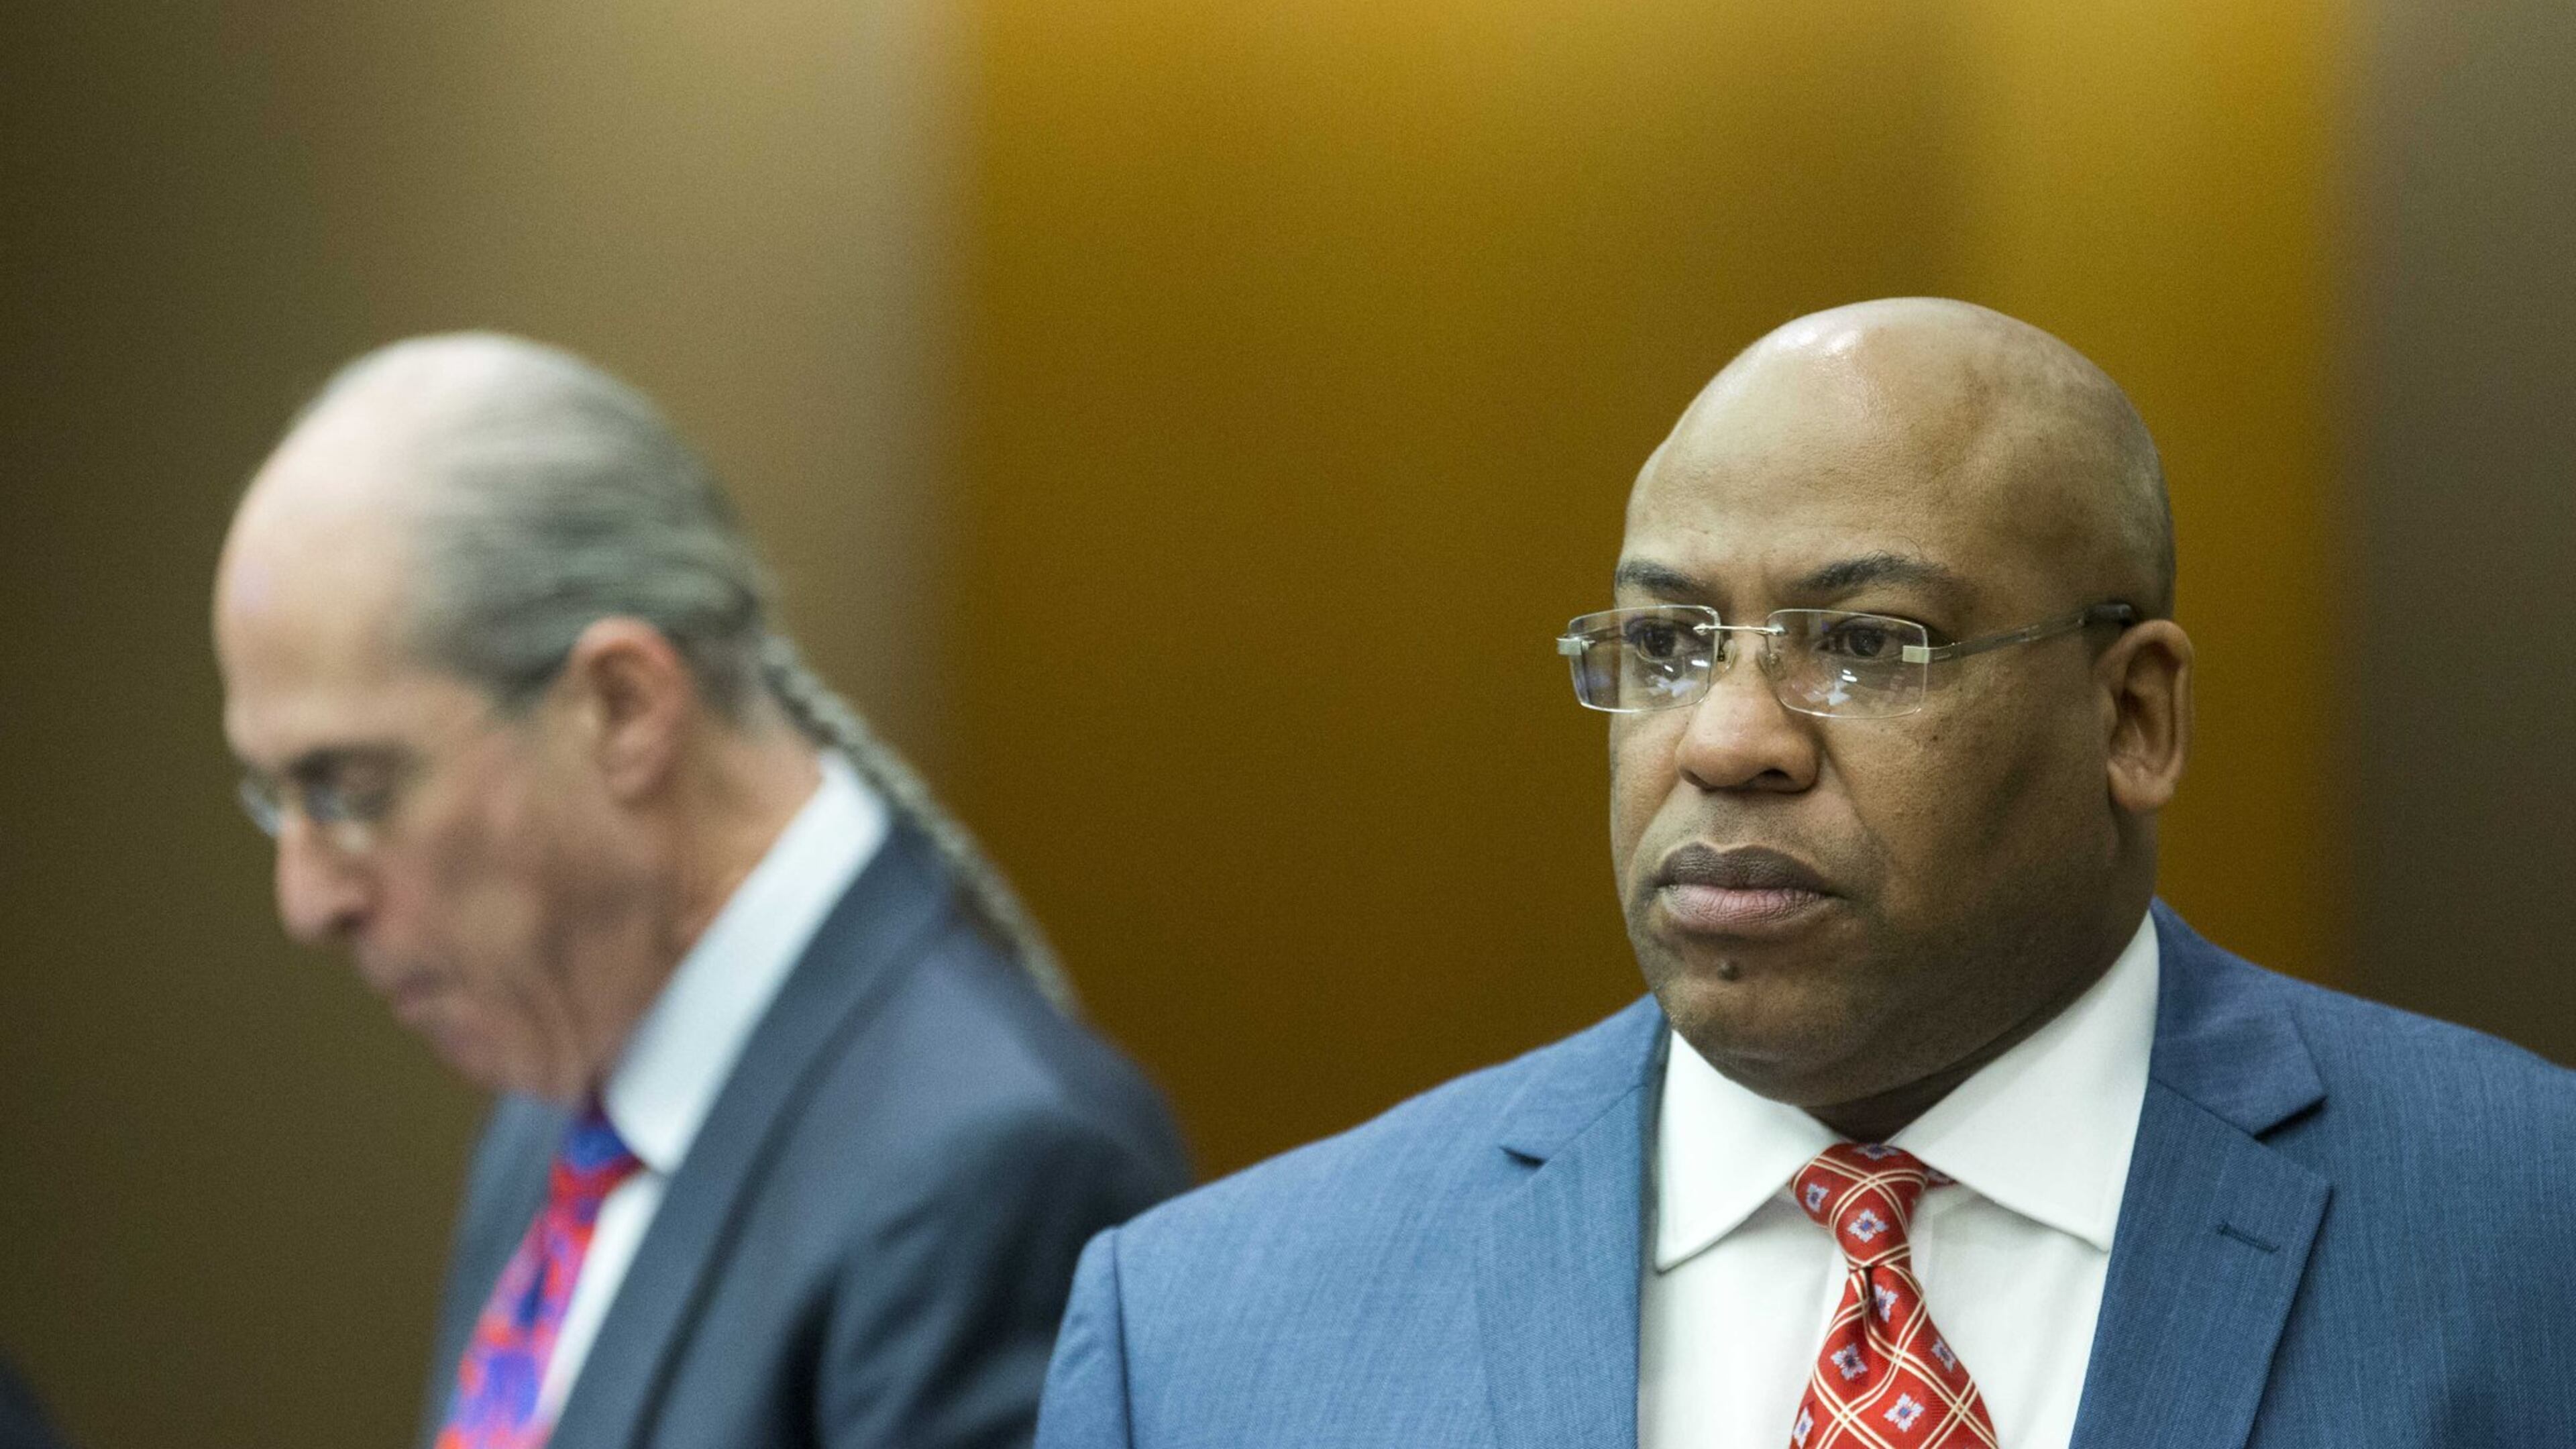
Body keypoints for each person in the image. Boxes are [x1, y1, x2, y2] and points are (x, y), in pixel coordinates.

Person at [1034, 299, 2576, 1448]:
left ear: (2134, 715)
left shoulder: (2523, 1229)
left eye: (1866, 644)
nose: (1729, 741)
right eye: (1665, 645)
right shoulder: (1204, 1340)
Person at [213, 333, 1190, 1449]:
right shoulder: (564, 1071)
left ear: (623, 708)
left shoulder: (993, 1170)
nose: (307, 901)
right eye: (278, 794)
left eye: (348, 788)